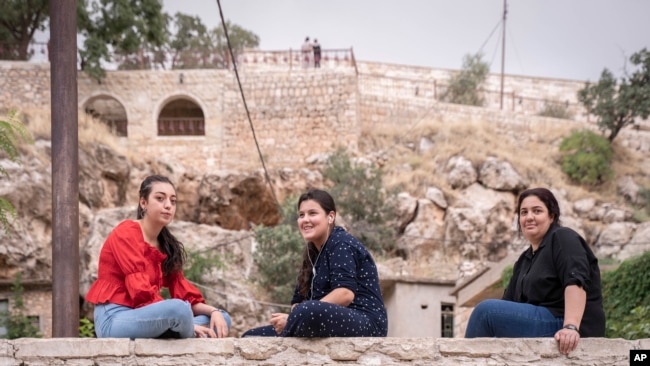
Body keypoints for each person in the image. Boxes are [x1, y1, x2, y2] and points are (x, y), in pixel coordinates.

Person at [86, 174, 232, 339]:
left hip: (148, 318)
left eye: (173, 201)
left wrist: (214, 311)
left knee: (222, 319)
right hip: (115, 319)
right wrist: (187, 322)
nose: (168, 205)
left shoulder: (166, 245)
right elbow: (142, 292)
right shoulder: (126, 233)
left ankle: (182, 331)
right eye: (160, 198)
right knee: (178, 310)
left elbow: (185, 294)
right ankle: (186, 331)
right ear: (143, 203)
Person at [464, 187, 605, 354]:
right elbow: (507, 305)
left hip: (566, 322)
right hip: (541, 322)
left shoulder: (562, 238)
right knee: (492, 315)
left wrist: (571, 326)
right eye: (523, 213)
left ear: (551, 216)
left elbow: (576, 281)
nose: (529, 217)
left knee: (486, 312)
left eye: (537, 211)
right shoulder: (524, 260)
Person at [242, 189, 388, 337]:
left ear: (330, 217)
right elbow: (297, 303)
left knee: (308, 311)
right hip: (317, 318)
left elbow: (345, 294)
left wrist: (294, 318)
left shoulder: (341, 244)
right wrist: (295, 316)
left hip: (366, 322)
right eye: (301, 215)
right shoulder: (312, 253)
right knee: (251, 337)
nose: (305, 220)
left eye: (312, 213)